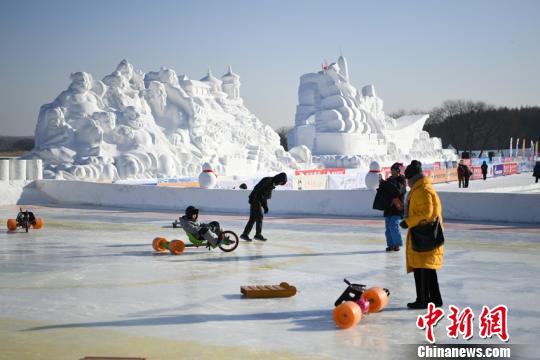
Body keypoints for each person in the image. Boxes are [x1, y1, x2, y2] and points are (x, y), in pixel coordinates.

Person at [399, 160, 444, 309]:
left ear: (413, 178)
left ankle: (422, 300)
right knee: (427, 269)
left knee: (421, 270)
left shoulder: (422, 190)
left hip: (425, 236)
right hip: (426, 235)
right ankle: (435, 299)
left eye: (408, 179)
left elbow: (427, 213)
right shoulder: (421, 189)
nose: (407, 183)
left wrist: (408, 222)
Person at [240, 172, 287, 241]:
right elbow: (257, 188)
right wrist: (252, 198)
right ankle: (258, 235)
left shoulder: (272, 184)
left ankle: (245, 234)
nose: (280, 184)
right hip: (255, 200)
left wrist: (265, 206)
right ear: (279, 179)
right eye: (281, 182)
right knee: (259, 217)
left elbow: (264, 196)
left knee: (253, 218)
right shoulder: (268, 180)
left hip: (257, 200)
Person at [382, 163, 406, 251]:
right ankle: (391, 244)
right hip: (389, 207)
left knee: (393, 225)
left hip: (397, 207)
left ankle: (397, 244)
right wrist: (382, 184)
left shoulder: (402, 180)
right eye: (391, 171)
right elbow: (384, 192)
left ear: (398, 171)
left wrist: (389, 184)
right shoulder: (389, 180)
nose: (393, 173)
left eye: (394, 171)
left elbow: (398, 191)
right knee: (388, 227)